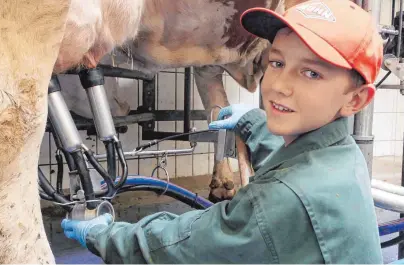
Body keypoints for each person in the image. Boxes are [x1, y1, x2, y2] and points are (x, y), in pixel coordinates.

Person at [61, 0, 384, 263]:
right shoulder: (343, 155)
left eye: (311, 73)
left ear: (356, 99)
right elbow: (296, 165)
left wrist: (102, 235)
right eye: (276, 63)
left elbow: (180, 247)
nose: (280, 86)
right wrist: (254, 123)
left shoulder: (277, 205)